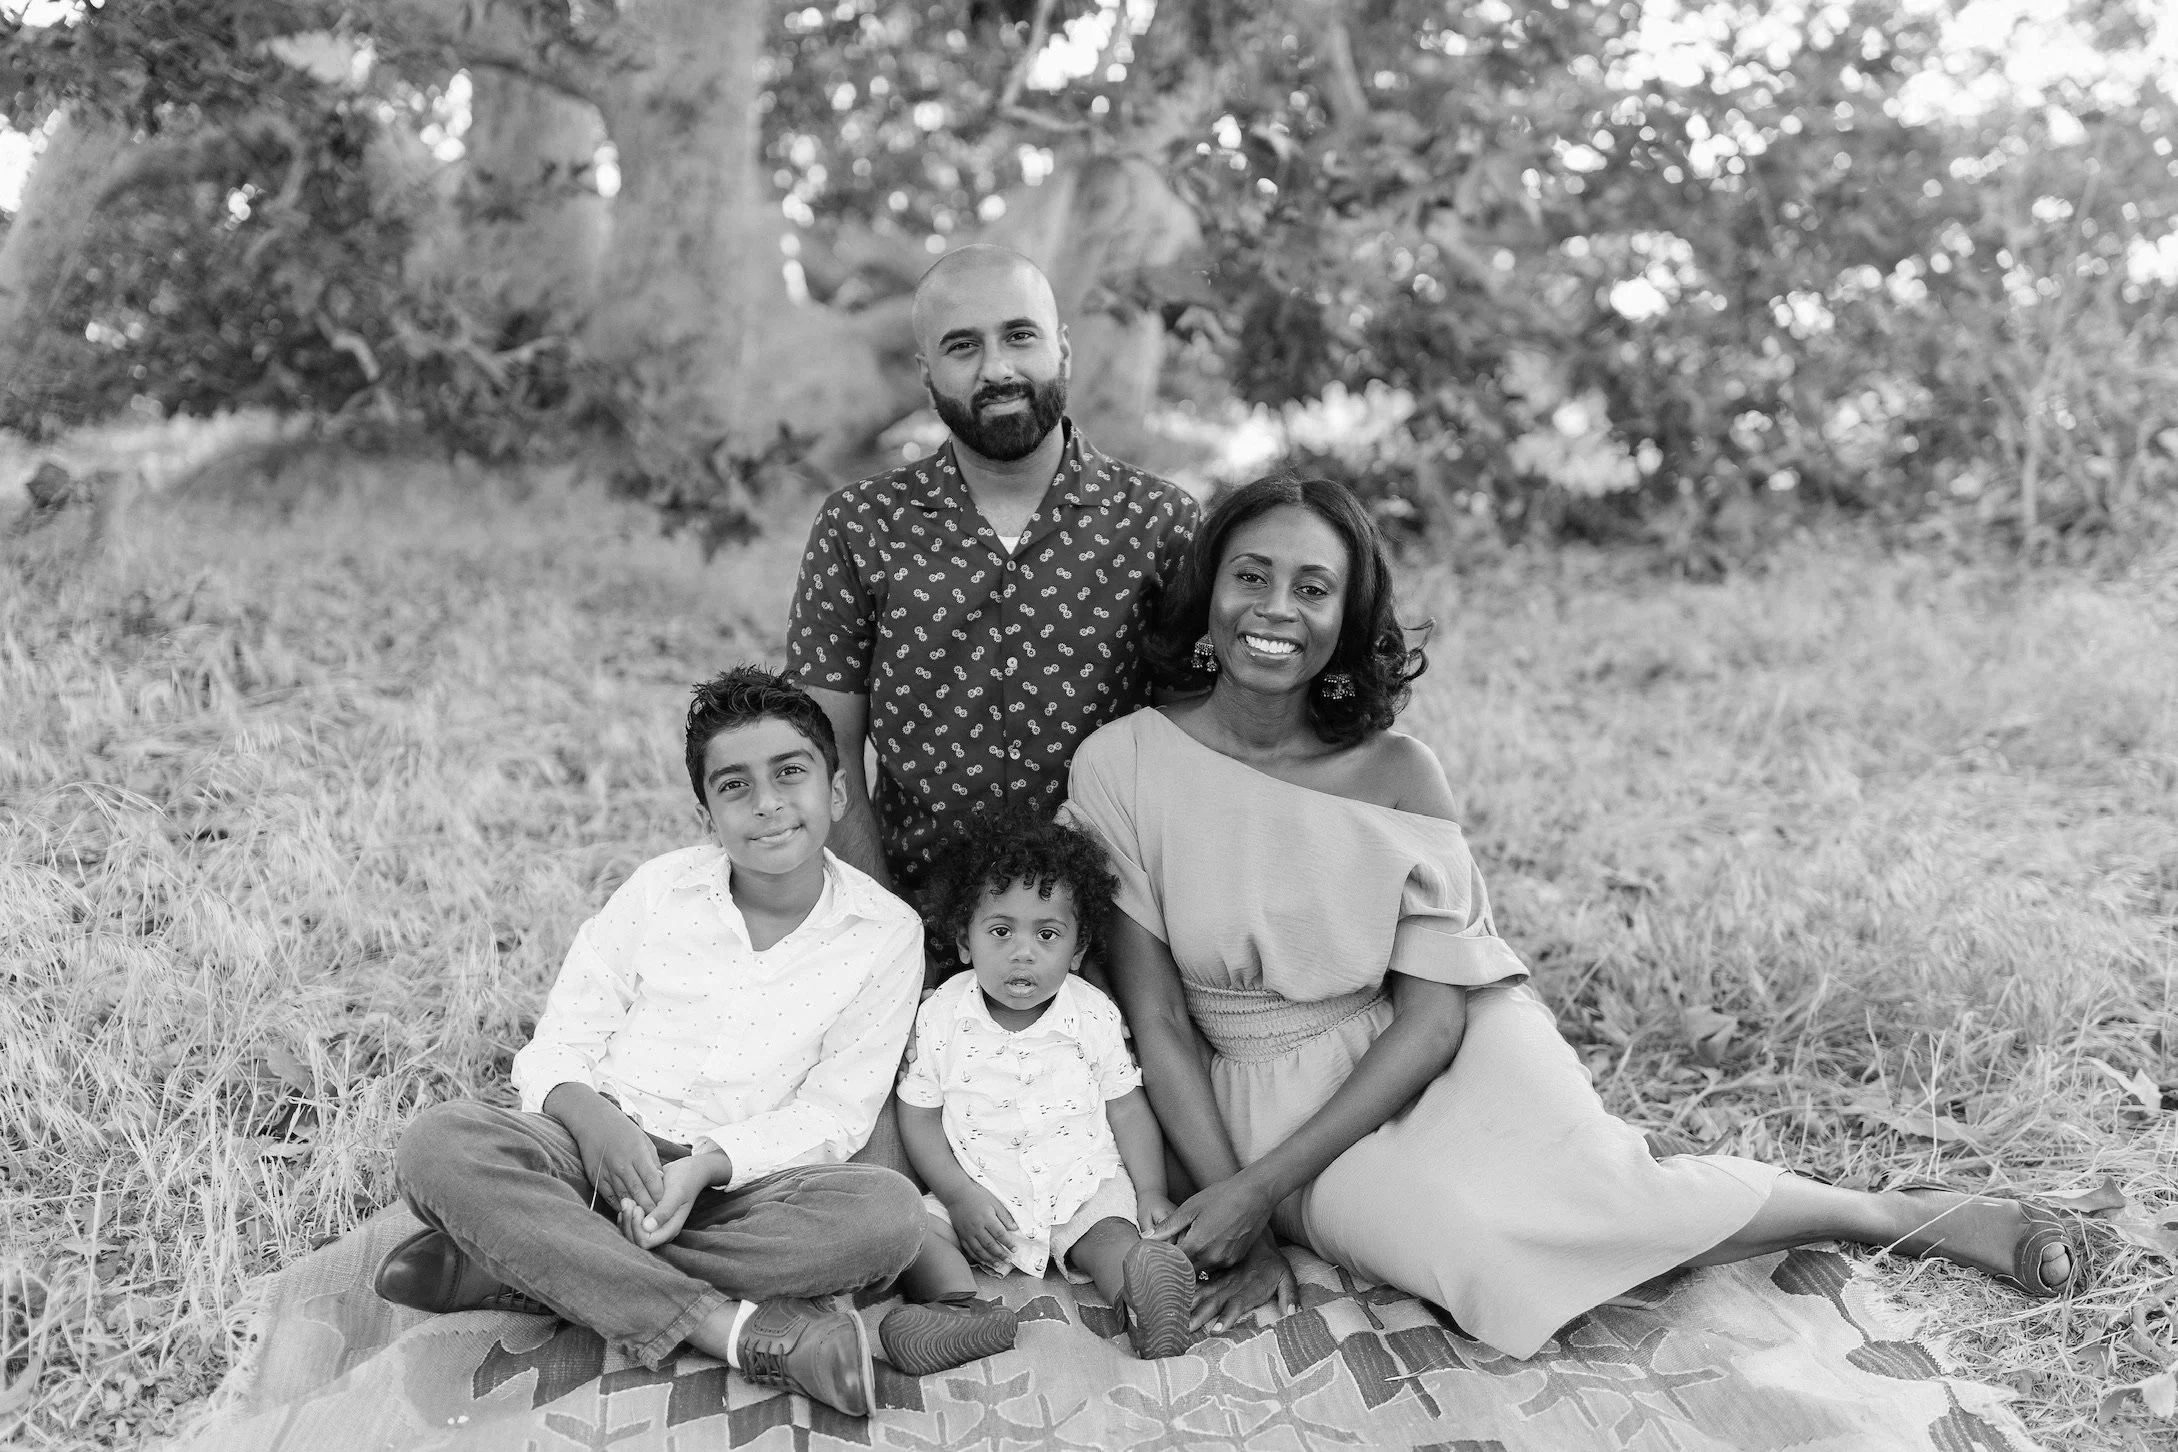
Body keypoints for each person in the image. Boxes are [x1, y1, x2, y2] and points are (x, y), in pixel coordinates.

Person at [1060, 475, 2083, 1357]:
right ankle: (1686, 1180)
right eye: (1251, 576)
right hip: (1260, 1093)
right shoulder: (1126, 764)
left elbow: (1437, 1015)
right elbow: (1156, 1023)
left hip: (1438, 1043)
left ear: (1343, 618)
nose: (1274, 607)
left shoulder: (1398, 774)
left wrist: (1257, 1194)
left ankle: (1897, 1215)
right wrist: (1251, 1201)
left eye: (1311, 587)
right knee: (1479, 1255)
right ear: (1207, 594)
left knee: (1596, 1187)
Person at [378, 667, 990, 1417]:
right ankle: (728, 1327)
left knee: (888, 1218)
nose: (766, 804)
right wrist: (594, 1122)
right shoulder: (659, 889)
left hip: (737, 1192)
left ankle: (533, 1263)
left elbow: (834, 1113)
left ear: (835, 792)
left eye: (789, 774)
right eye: (734, 787)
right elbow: (565, 1036)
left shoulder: (885, 932)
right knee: (440, 1144)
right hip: (592, 1156)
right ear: (707, 815)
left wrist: (706, 1167)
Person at [786, 243, 1200, 902]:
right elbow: (824, 755)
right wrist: (890, 946)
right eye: (962, 347)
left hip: (1115, 924)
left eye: (1019, 336)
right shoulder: (857, 527)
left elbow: (1198, 749)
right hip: (916, 913)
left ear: (1062, 347)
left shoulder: (1160, 523)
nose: (997, 368)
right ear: (927, 374)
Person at [885, 812, 1197, 1370]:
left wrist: (1150, 1190)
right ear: (964, 941)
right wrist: (955, 1194)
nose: (1023, 952)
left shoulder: (1094, 1015)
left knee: (1112, 1234)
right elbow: (919, 1117)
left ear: (1076, 952)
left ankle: (1144, 1300)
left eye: (1046, 935)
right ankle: (957, 1313)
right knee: (917, 1233)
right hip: (981, 1194)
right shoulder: (941, 1017)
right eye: (1000, 931)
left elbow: (1127, 1109)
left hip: (1079, 1184)